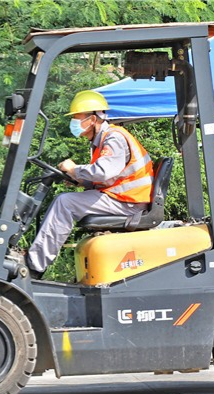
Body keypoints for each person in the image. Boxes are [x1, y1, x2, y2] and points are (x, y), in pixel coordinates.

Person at [26, 90, 155, 278]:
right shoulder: (100, 141)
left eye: (78, 118)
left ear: (93, 119)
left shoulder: (114, 138)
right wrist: (80, 180)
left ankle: (34, 268)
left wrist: (73, 169)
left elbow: (103, 172)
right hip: (121, 199)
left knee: (65, 203)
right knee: (65, 200)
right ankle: (36, 261)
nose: (75, 123)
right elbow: (110, 178)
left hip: (128, 203)